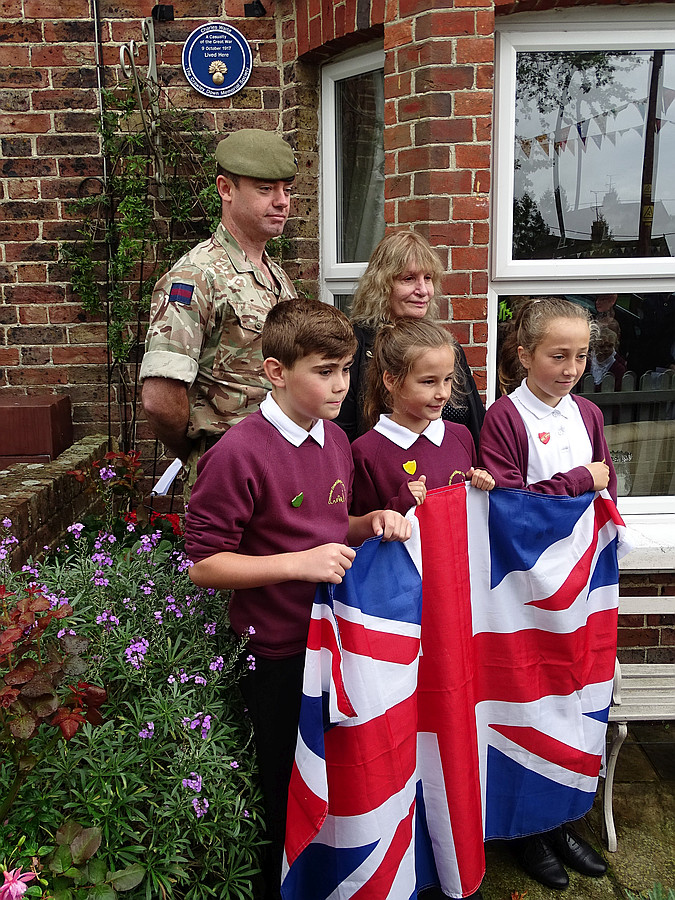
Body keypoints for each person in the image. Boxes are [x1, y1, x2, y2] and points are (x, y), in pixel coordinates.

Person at [184, 298, 412, 900]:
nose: (341, 385)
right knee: (284, 788)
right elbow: (203, 565)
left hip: (336, 643)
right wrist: (298, 565)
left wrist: (371, 522)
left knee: (331, 780)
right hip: (278, 655)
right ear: (276, 372)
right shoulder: (239, 451)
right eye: (324, 370)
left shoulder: (335, 438)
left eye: (346, 369)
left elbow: (331, 530)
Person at [479, 296, 616, 890]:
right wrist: (579, 481)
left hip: (581, 591)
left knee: (571, 701)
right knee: (529, 703)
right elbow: (507, 509)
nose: (570, 368)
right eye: (557, 355)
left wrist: (590, 491)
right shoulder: (504, 419)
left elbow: (606, 501)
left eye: (581, 356)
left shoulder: (588, 415)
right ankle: (527, 832)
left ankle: (562, 819)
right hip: (526, 594)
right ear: (524, 353)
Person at [140, 128, 298, 491]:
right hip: (231, 472)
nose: (281, 201)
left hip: (284, 463)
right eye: (265, 189)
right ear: (226, 189)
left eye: (286, 190)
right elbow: (160, 399)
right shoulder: (196, 276)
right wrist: (200, 453)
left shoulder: (276, 276)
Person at [335, 231, 485, 449]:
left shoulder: (444, 346)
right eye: (409, 279)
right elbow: (340, 436)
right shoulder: (353, 346)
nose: (423, 291)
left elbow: (476, 426)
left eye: (428, 278)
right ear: (381, 285)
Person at [350, 319, 494, 517]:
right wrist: (399, 506)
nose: (442, 393)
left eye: (448, 379)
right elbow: (360, 531)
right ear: (391, 381)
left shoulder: (461, 436)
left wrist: (481, 480)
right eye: (428, 382)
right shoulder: (365, 452)